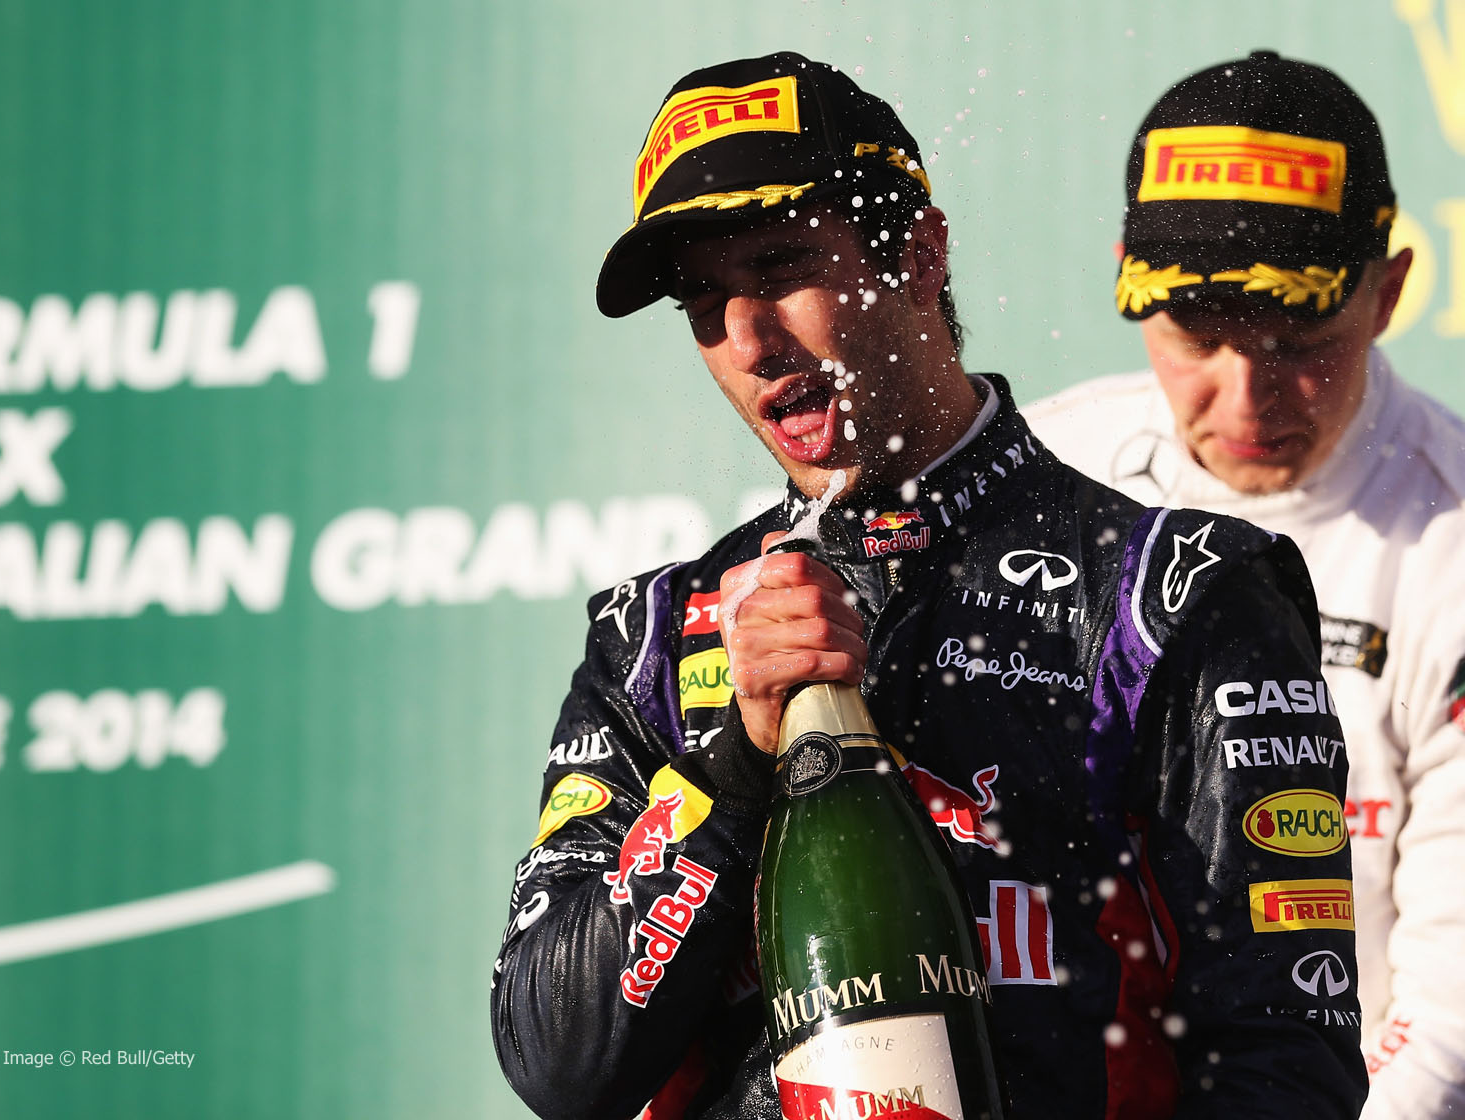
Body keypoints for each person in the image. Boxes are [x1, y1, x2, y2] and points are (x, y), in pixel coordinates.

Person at [493, 51, 1364, 1119]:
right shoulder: (654, 636)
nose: (750, 341)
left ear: (920, 253)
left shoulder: (1177, 596)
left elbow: (1286, 1068)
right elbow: (558, 1064)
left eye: (778, 269)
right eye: (704, 303)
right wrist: (730, 768)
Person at [1024, 50, 1465, 1120]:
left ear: (1389, 290)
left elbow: (1449, 1003)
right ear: (1130, 284)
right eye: (1197, 338)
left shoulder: (1449, 537)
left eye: (1302, 339)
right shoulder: (1045, 475)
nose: (1248, 394)